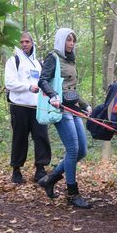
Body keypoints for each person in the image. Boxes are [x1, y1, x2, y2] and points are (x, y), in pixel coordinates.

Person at [37, 28, 92, 209]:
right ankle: (72, 193)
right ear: (61, 40)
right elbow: (42, 80)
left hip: (73, 107)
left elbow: (71, 88)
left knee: (82, 150)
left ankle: (50, 179)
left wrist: (84, 105)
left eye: (73, 40)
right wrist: (52, 95)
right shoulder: (53, 57)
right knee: (73, 150)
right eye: (68, 40)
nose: (71, 43)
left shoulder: (71, 59)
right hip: (60, 109)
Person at [5, 31, 51, 184]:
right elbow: (9, 83)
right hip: (19, 105)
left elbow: (44, 82)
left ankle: (40, 169)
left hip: (37, 107)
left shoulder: (38, 63)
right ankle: (16, 170)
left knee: (41, 136)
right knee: (20, 138)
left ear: (32, 43)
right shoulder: (14, 60)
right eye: (22, 42)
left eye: (27, 42)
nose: (24, 44)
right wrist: (28, 87)